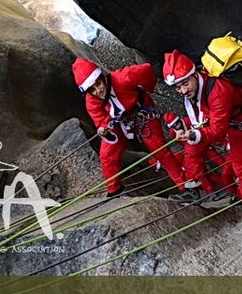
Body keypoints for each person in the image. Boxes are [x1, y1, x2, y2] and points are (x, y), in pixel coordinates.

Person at [163, 50, 242, 233]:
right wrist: (191, 134)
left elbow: (218, 131)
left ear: (194, 74)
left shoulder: (218, 90)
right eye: (178, 88)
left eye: (185, 84)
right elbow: (206, 120)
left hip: (238, 126)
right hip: (216, 120)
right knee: (192, 149)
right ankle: (193, 188)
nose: (183, 91)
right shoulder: (198, 87)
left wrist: (193, 134)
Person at [71, 58, 185, 197]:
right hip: (118, 123)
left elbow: (146, 70)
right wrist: (104, 130)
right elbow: (101, 120)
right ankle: (114, 190)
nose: (98, 91)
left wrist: (148, 87)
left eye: (98, 84)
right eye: (92, 90)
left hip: (143, 114)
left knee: (159, 149)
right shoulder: (91, 100)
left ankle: (184, 185)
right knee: (106, 155)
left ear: (102, 77)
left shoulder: (123, 77)